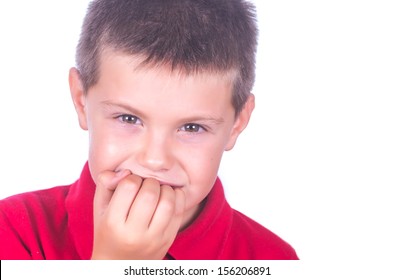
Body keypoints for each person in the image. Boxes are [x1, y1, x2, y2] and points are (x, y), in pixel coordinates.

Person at [0, 0, 298, 260]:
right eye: (128, 119)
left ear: (236, 124)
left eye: (192, 127)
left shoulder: (275, 260)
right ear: (81, 101)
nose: (155, 160)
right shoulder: (15, 231)